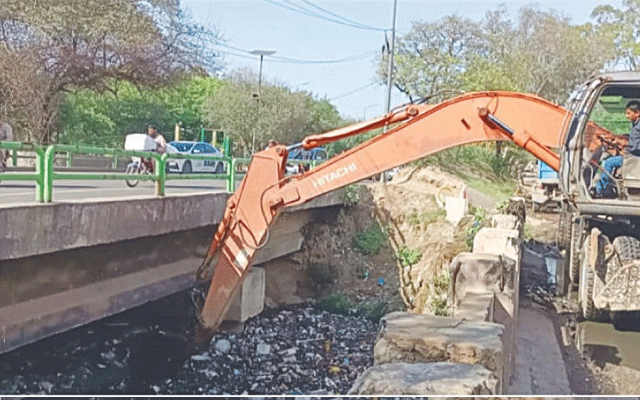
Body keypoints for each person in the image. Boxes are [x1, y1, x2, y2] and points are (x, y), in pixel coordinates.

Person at [595, 100, 640, 198]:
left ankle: (600, 191)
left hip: (634, 159)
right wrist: (618, 138)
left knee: (609, 162)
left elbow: (636, 144)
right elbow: (633, 139)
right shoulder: (636, 124)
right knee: (610, 160)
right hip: (632, 157)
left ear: (637, 113)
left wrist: (622, 142)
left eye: (628, 113)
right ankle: (609, 189)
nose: (626, 116)